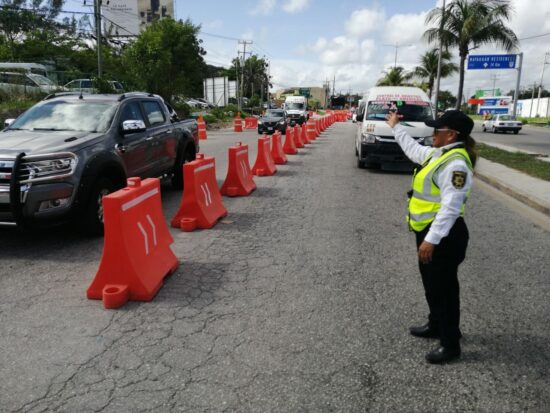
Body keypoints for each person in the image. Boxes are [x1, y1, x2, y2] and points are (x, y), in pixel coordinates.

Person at [386, 109, 477, 364]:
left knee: (444, 290)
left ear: (451, 135)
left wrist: (431, 240)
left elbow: (450, 207)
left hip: (443, 236)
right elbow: (414, 150)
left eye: (437, 130)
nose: (432, 133)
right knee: (433, 286)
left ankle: (450, 344)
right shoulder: (441, 154)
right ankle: (436, 324)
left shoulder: (456, 164)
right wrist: (396, 127)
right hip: (430, 231)